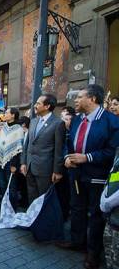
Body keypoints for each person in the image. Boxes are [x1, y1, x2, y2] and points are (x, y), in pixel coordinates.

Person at [57, 85, 119, 269]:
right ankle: (77, 241)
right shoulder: (76, 120)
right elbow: (69, 144)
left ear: (92, 99)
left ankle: (93, 253)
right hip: (76, 175)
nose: (75, 100)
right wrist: (68, 158)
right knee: (76, 209)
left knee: (96, 215)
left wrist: (87, 157)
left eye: (79, 97)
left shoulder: (111, 121)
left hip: (97, 177)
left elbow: (112, 151)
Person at [20, 94, 65, 203]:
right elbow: (27, 144)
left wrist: (57, 171)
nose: (35, 105)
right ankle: (32, 218)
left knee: (44, 199)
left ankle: (44, 220)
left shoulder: (58, 123)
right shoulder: (34, 121)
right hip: (30, 166)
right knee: (32, 197)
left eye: (38, 103)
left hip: (45, 169)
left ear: (47, 106)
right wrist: (23, 163)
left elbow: (59, 150)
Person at [0, 107, 24, 211]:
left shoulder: (18, 129)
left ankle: (11, 210)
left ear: (13, 115)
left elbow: (18, 149)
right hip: (0, 160)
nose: (4, 114)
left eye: (6, 113)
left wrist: (14, 165)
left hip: (11, 162)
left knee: (11, 187)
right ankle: (3, 208)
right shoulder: (5, 127)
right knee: (2, 185)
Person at [100, 148, 119, 269]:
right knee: (110, 256)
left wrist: (108, 201)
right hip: (111, 218)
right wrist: (105, 196)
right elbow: (113, 175)